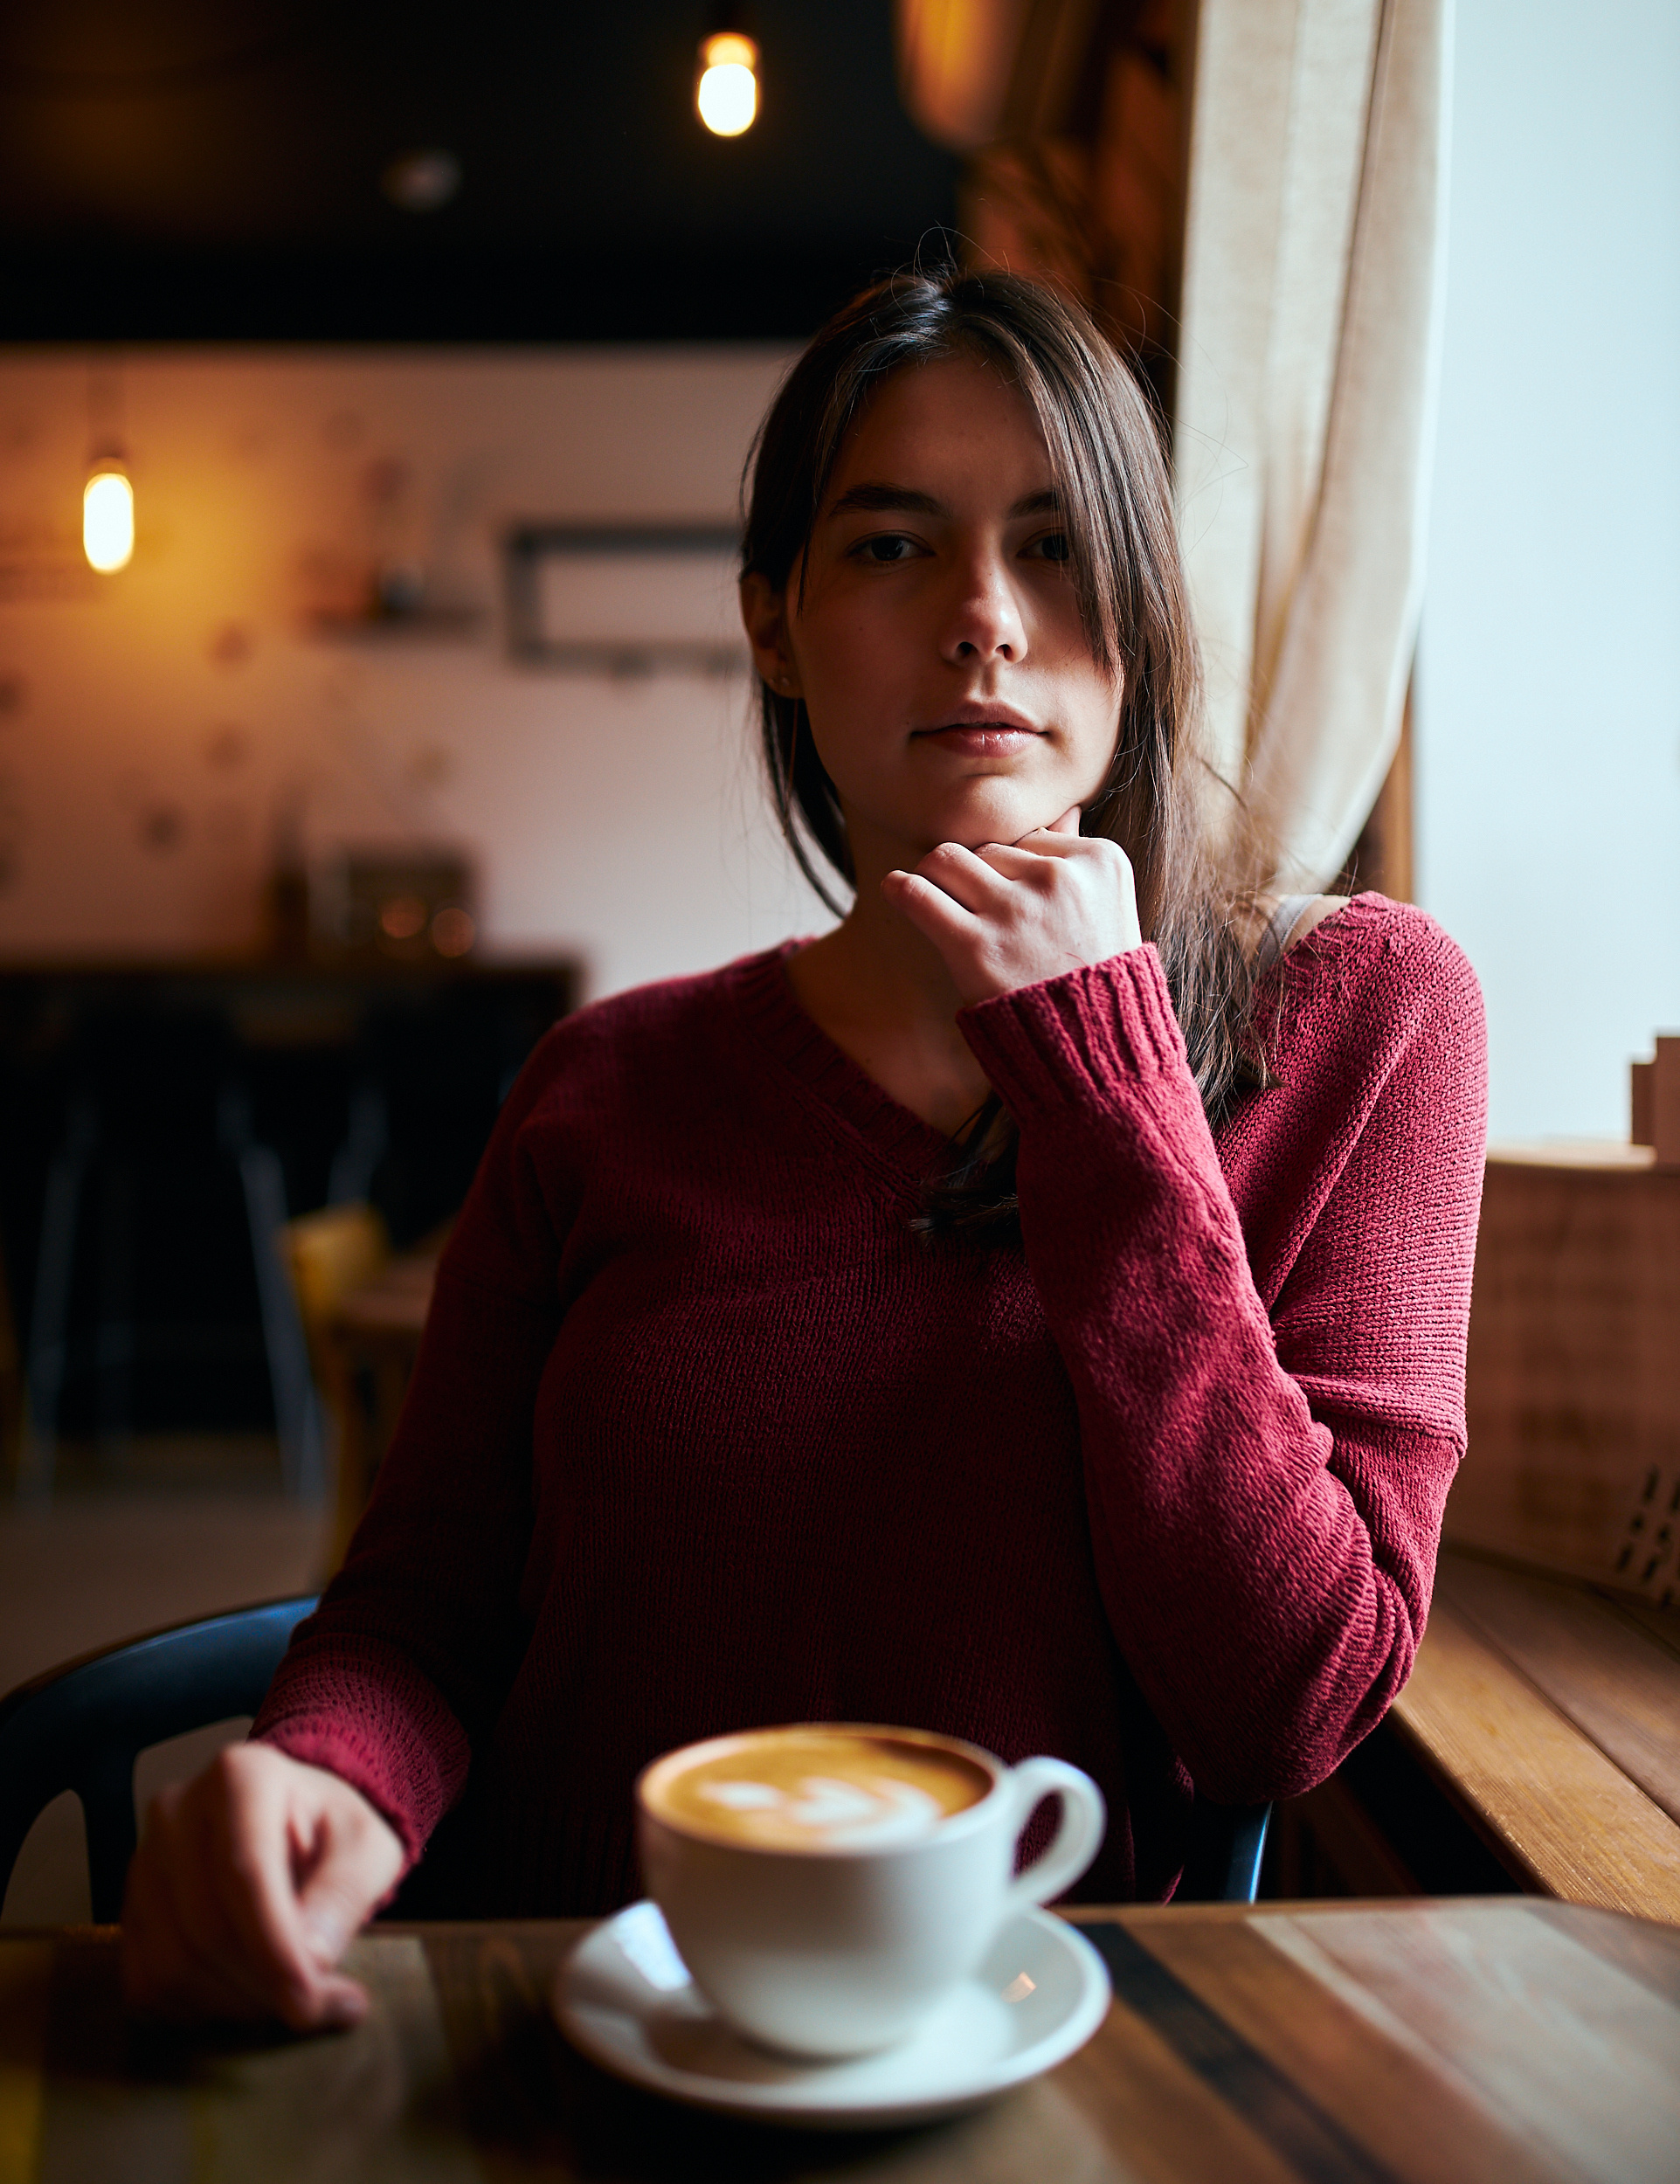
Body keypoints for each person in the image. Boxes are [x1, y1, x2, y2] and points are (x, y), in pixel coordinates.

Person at [121, 268, 1486, 2031]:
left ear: (1140, 622)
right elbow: (426, 1607)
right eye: (889, 547)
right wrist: (325, 1765)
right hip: (544, 2018)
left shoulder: (1359, 1018)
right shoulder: (601, 1084)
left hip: (1009, 2053)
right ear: (771, 625)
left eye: (1057, 545)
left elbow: (1284, 1705)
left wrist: (1102, 1089)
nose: (984, 616)